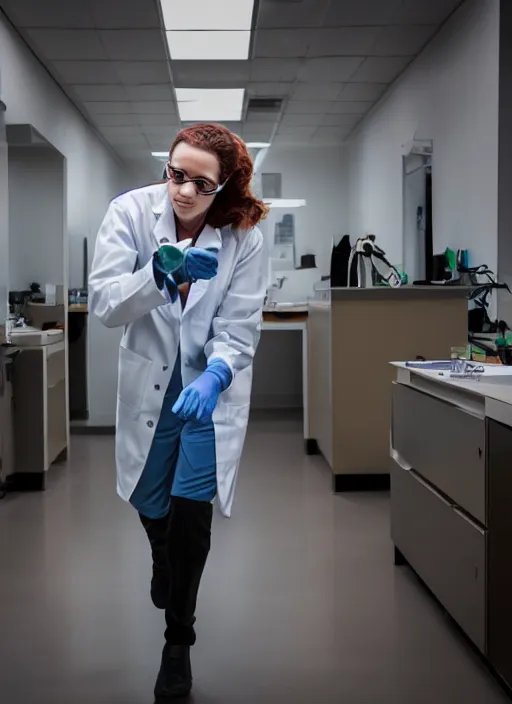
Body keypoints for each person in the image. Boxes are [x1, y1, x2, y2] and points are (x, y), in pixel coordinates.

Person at [88, 123, 268, 702]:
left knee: (192, 516)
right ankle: (158, 554)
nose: (183, 191)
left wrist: (218, 374)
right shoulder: (130, 212)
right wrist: (161, 274)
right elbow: (106, 303)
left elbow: (238, 326)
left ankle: (178, 644)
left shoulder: (244, 236)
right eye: (175, 174)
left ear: (226, 189)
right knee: (150, 501)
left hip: (207, 396)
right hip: (152, 383)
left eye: (201, 183)